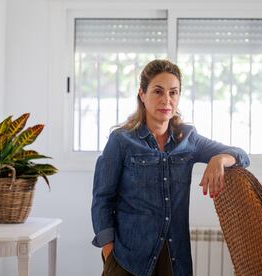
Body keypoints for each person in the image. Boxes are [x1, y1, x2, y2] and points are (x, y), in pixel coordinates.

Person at [91, 59, 250, 276]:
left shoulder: (189, 139)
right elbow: (102, 199)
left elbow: (241, 155)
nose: (166, 100)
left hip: (175, 260)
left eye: (173, 92)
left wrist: (219, 159)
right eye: (158, 91)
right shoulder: (121, 141)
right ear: (142, 94)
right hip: (128, 260)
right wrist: (110, 254)